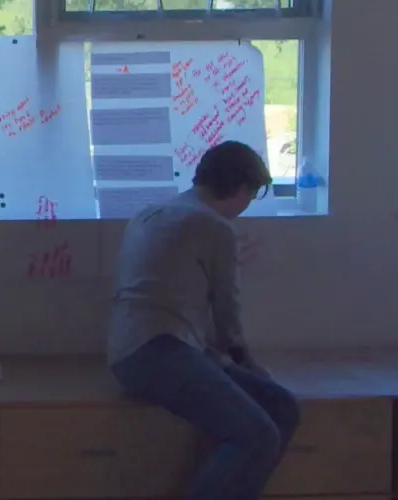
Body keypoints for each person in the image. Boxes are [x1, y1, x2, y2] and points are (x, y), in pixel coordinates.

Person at [107, 140, 301, 500]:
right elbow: (227, 313)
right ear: (243, 188)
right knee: (258, 435)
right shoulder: (213, 226)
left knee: (282, 406)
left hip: (137, 350)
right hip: (158, 353)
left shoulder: (152, 212)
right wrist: (251, 366)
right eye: (252, 195)